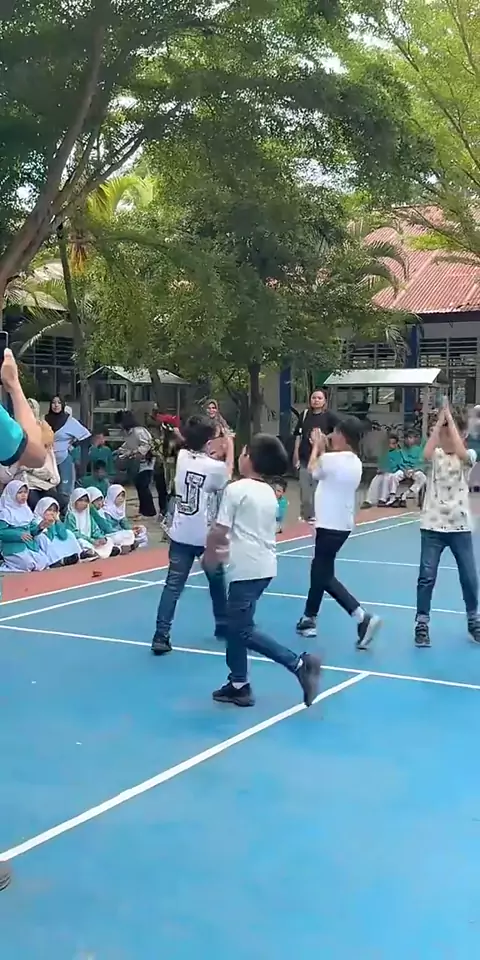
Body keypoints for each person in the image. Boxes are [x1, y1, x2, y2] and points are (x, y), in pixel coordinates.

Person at [203, 434, 321, 708]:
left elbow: (220, 529)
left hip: (246, 567)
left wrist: (209, 555)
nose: (240, 456)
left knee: (240, 629)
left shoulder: (236, 489)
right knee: (236, 626)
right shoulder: (268, 491)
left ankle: (299, 664)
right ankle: (238, 684)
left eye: (243, 452)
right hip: (263, 566)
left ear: (250, 460)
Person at [295, 417, 382, 648]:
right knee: (321, 570)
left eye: (334, 432)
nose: (331, 436)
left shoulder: (331, 459)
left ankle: (361, 616)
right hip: (342, 524)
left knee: (322, 575)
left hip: (329, 524)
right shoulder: (355, 462)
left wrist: (317, 446)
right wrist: (323, 449)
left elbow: (313, 470)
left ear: (343, 436)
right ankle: (308, 618)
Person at [150, 415, 229, 655]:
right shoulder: (214, 467)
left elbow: (186, 445)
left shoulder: (183, 458)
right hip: (204, 535)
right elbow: (226, 478)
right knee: (217, 581)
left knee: (173, 586)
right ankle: (223, 624)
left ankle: (161, 635)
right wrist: (230, 447)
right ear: (208, 442)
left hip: (181, 532)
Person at [414, 402, 480, 646]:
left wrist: (450, 420)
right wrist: (440, 421)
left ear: (461, 435)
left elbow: (462, 452)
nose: (444, 438)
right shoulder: (436, 455)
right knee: (426, 577)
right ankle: (422, 624)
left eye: (449, 434)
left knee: (469, 577)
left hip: (460, 527)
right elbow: (425, 453)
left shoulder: (468, 456)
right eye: (441, 434)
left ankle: (473, 620)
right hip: (432, 526)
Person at [293, 388, 339, 522]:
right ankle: (305, 514)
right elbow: (298, 435)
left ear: (325, 401)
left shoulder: (329, 416)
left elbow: (339, 432)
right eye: (314, 398)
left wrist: (324, 438)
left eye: (319, 398)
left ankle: (317, 515)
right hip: (304, 457)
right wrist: (295, 452)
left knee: (317, 488)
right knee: (304, 489)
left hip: (321, 458)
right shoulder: (304, 414)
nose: (316, 400)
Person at [0, 480, 51, 572]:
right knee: (28, 564)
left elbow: (31, 531)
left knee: (43, 561)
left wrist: (40, 527)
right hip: (13, 548)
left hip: (29, 546)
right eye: (20, 492)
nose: (23, 495)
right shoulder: (5, 512)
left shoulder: (26, 510)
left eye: (25, 492)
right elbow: (1, 532)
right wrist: (19, 535)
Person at [45, 396, 90, 500]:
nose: (56, 405)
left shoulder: (69, 421)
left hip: (64, 459)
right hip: (47, 461)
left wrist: (81, 460)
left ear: (63, 405)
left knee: (65, 492)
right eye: (53, 402)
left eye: (59, 402)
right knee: (48, 491)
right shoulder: (44, 420)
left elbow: (85, 437)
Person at [116, 411, 156, 518]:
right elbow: (128, 445)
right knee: (139, 486)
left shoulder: (139, 431)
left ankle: (149, 511)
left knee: (143, 485)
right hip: (136, 462)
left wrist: (136, 452)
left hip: (147, 461)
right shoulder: (128, 433)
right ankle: (143, 511)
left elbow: (147, 444)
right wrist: (121, 451)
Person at [65, 489, 116, 559]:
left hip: (91, 541)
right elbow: (74, 533)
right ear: (74, 500)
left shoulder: (88, 515)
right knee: (81, 542)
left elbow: (94, 531)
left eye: (86, 501)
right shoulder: (71, 515)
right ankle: (90, 553)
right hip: (79, 541)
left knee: (109, 540)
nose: (83, 503)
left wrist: (101, 538)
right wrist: (91, 540)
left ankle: (96, 553)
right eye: (80, 500)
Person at [94, 484, 148, 549]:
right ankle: (129, 543)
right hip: (112, 534)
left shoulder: (120, 510)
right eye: (118, 496)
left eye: (122, 496)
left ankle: (130, 542)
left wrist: (133, 529)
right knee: (118, 537)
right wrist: (127, 532)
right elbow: (109, 529)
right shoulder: (106, 511)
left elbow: (125, 525)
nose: (121, 498)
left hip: (122, 533)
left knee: (142, 529)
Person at [33, 497, 81, 567]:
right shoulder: (36, 521)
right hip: (45, 541)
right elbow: (49, 537)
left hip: (55, 538)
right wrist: (48, 524)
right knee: (41, 537)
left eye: (54, 511)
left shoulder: (55, 521)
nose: (52, 513)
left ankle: (77, 555)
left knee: (69, 533)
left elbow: (63, 535)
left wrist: (58, 520)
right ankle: (56, 561)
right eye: (49, 510)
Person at [386, 431, 427, 508]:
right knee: (394, 476)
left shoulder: (419, 450)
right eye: (407, 438)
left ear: (414, 439)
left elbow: (421, 463)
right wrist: (405, 471)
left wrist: (414, 470)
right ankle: (393, 498)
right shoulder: (401, 450)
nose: (409, 440)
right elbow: (399, 462)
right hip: (404, 470)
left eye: (411, 438)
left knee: (423, 478)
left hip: (415, 470)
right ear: (404, 439)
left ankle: (405, 495)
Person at [362, 433, 403, 507]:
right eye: (389, 443)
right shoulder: (385, 453)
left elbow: (396, 466)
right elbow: (381, 464)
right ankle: (369, 500)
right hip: (384, 472)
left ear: (396, 444)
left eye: (393, 443)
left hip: (393, 473)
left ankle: (383, 499)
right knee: (376, 479)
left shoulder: (398, 453)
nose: (390, 445)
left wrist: (385, 469)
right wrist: (380, 469)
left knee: (386, 477)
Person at [205, 399, 235, 476]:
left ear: (217, 409)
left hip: (220, 456)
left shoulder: (222, 422)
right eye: (209, 408)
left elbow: (229, 436)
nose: (211, 410)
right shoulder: (203, 423)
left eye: (213, 408)